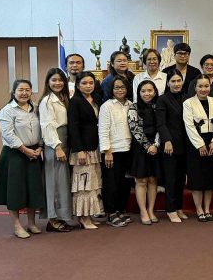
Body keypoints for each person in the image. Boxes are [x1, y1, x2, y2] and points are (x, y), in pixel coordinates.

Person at [0, 79, 46, 238]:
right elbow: (8, 134)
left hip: (34, 153)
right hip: (15, 154)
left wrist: (40, 146)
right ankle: (17, 226)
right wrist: (25, 150)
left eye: (27, 90)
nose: (24, 93)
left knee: (33, 189)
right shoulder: (7, 110)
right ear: (13, 92)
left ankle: (31, 223)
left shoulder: (35, 107)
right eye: (20, 90)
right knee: (15, 190)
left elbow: (42, 128)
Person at [39, 68, 75, 232]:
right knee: (54, 180)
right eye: (54, 80)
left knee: (63, 181)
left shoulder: (63, 98)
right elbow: (47, 126)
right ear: (48, 82)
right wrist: (57, 147)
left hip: (65, 140)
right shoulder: (47, 101)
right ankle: (53, 220)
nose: (58, 83)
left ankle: (61, 216)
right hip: (55, 143)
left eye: (60, 80)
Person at [67, 72, 104, 230]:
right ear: (77, 85)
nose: (88, 86)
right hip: (82, 149)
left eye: (91, 83)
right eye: (84, 83)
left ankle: (89, 214)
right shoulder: (75, 102)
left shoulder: (96, 99)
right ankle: (83, 218)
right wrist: (79, 150)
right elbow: (73, 127)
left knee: (92, 184)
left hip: (94, 147)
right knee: (83, 185)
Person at [183, 76, 213, 221]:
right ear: (195, 87)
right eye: (200, 86)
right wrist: (200, 144)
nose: (203, 89)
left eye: (206, 86)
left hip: (212, 142)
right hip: (195, 143)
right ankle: (199, 210)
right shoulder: (188, 103)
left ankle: (207, 209)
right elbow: (189, 126)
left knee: (210, 178)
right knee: (197, 178)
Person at [98, 76, 134, 227]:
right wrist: (107, 151)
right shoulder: (107, 106)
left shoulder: (131, 105)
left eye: (122, 87)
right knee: (111, 184)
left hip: (128, 150)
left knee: (124, 183)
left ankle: (120, 209)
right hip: (112, 151)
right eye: (116, 87)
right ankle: (111, 213)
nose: (120, 90)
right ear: (112, 90)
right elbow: (103, 129)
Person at [128, 79, 163, 225]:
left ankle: (151, 210)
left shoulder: (159, 106)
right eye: (143, 91)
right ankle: (143, 211)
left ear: (155, 92)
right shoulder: (133, 107)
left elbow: (161, 126)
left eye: (150, 90)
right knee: (142, 180)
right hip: (140, 148)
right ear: (139, 93)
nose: (146, 94)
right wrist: (148, 146)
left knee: (153, 180)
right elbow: (134, 128)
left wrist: (156, 144)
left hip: (156, 146)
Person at [157, 71, 189, 223]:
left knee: (181, 179)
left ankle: (179, 208)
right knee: (170, 179)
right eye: (173, 81)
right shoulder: (162, 99)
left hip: (185, 145)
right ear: (168, 83)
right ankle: (170, 209)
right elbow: (161, 123)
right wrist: (167, 140)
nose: (176, 84)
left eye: (179, 81)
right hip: (169, 145)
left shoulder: (187, 98)